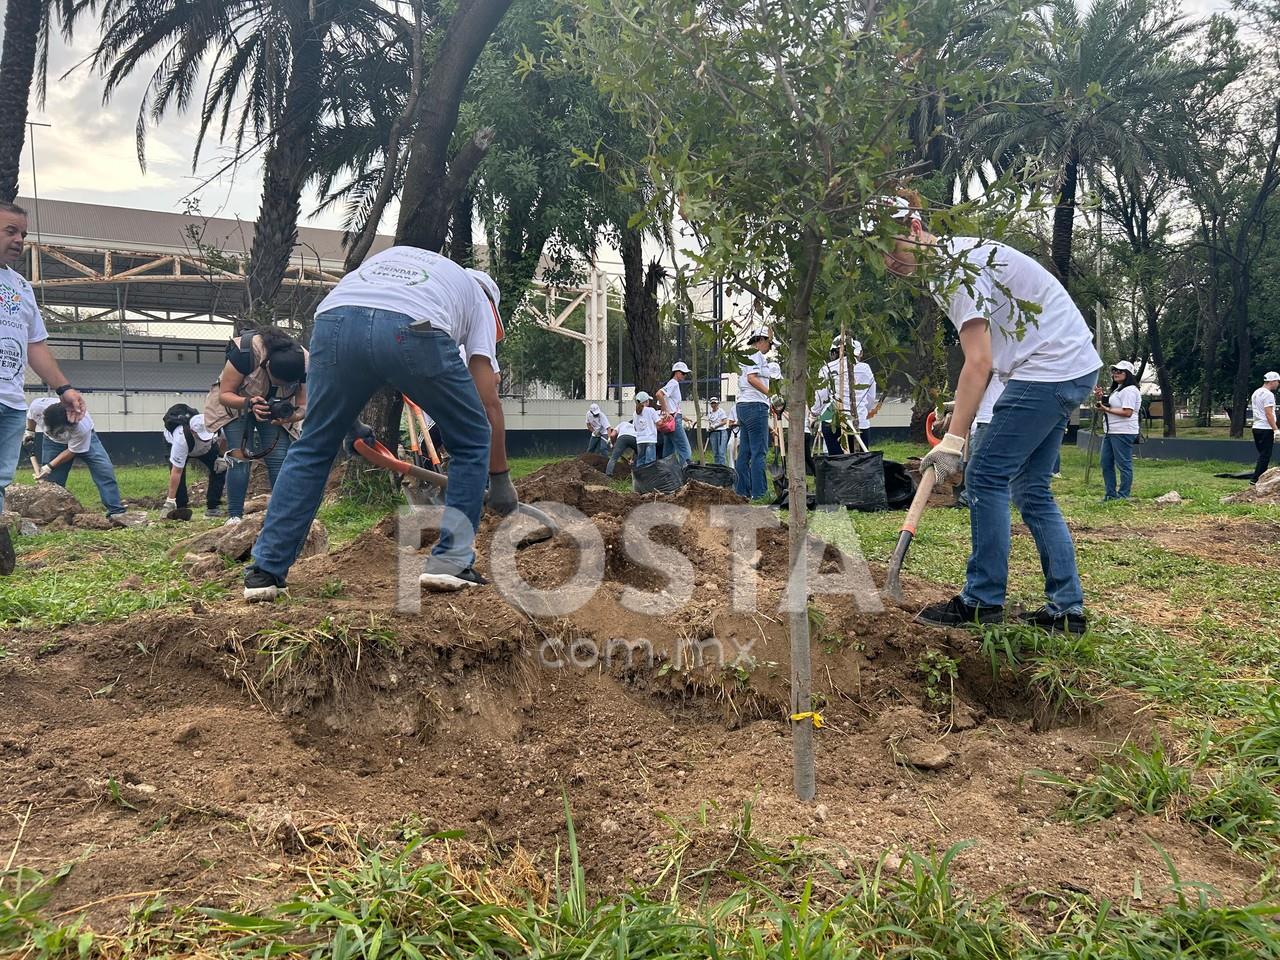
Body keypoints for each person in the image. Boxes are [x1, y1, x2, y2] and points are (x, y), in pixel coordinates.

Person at [877, 192, 1102, 635]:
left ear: (915, 229)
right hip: (1067, 366)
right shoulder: (963, 256)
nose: (889, 262)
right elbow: (990, 363)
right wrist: (958, 420)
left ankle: (981, 601)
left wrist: (953, 444)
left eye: (892, 248)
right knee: (1032, 489)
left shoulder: (953, 274)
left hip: (1047, 369)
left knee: (984, 477)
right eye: (879, 256)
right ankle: (1067, 610)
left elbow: (977, 363)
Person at [243, 247, 515, 600]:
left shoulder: (402, 260)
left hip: (333, 320)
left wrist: (347, 422)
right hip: (416, 326)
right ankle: (451, 561)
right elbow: (487, 399)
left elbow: (365, 326)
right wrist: (500, 482)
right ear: (492, 305)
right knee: (472, 436)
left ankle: (265, 572)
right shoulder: (477, 298)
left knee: (313, 446)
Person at [0, 201, 87, 570]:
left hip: (12, 401)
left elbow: (35, 346)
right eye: (10, 231)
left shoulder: (20, 286)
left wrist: (64, 387)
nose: (19, 240)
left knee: (1, 479)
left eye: (23, 234)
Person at [205, 327, 308, 526]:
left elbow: (303, 405)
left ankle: (283, 515)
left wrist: (291, 416)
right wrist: (249, 403)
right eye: (277, 382)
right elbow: (224, 394)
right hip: (237, 405)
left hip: (272, 413)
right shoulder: (246, 353)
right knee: (240, 456)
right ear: (266, 366)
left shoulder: (303, 361)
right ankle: (234, 516)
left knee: (279, 457)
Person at [26, 397, 127, 521]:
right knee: (52, 482)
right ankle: (52, 515)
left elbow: (72, 451)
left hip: (87, 441)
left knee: (104, 470)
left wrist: (49, 466)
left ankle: (116, 511)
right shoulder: (37, 406)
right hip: (53, 443)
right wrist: (29, 432)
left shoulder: (81, 425)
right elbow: (31, 417)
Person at [161, 404, 227, 519]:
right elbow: (176, 472)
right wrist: (170, 500)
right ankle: (180, 509)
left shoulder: (217, 426)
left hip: (207, 449)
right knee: (179, 476)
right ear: (193, 432)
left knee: (219, 469)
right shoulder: (180, 439)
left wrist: (221, 457)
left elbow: (225, 440)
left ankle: (213, 507)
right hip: (182, 445)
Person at [734, 329, 775, 500]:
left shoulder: (746, 357)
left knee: (745, 452)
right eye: (769, 343)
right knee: (759, 452)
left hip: (744, 406)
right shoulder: (756, 355)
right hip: (755, 406)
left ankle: (742, 491)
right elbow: (752, 378)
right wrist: (771, 394)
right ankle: (760, 494)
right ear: (760, 340)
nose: (770, 347)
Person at [1096, 361, 1142, 502]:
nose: (1115, 373)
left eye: (1119, 371)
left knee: (1123, 464)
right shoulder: (1119, 389)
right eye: (1114, 371)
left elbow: (1127, 412)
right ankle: (1110, 494)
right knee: (1106, 463)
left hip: (1123, 431)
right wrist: (1101, 399)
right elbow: (1112, 406)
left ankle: (1123, 495)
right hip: (1111, 431)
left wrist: (1106, 409)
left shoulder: (1130, 390)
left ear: (1128, 374)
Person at [957, 376, 1004, 509]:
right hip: (999, 414)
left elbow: (978, 378)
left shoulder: (990, 363)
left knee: (977, 467)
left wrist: (968, 406)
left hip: (990, 416)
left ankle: (968, 498)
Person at [656, 361, 692, 465]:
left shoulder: (672, 384)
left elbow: (672, 405)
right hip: (674, 421)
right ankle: (687, 472)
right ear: (677, 372)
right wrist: (666, 411)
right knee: (685, 449)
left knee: (668, 451)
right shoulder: (673, 383)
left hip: (671, 420)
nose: (685, 376)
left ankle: (668, 474)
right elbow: (659, 394)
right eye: (683, 373)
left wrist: (684, 417)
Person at [1250, 371, 1280, 483]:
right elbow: (1268, 413)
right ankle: (1255, 479)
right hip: (1266, 428)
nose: (1278, 384)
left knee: (1262, 453)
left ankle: (1262, 476)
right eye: (1277, 381)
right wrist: (1275, 429)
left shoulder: (1256, 392)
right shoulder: (1268, 395)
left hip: (1256, 426)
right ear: (1272, 381)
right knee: (1265, 455)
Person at [851, 340, 878, 446]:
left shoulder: (829, 369)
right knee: (862, 459)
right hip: (861, 420)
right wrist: (864, 410)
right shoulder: (865, 368)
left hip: (838, 423)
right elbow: (871, 396)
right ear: (860, 353)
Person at [632, 391, 659, 466]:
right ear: (646, 401)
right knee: (650, 461)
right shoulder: (651, 410)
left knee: (640, 460)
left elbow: (634, 427)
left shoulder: (635, 413)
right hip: (650, 439)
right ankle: (649, 477)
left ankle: (640, 476)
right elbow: (658, 423)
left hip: (640, 440)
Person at [706, 398, 732, 465]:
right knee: (715, 453)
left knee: (721, 452)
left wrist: (715, 426)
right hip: (712, 433)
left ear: (717, 403)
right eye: (712, 403)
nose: (714, 405)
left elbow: (725, 421)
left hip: (721, 432)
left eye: (715, 403)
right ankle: (717, 467)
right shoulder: (710, 412)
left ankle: (722, 467)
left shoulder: (721, 411)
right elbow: (710, 422)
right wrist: (709, 428)